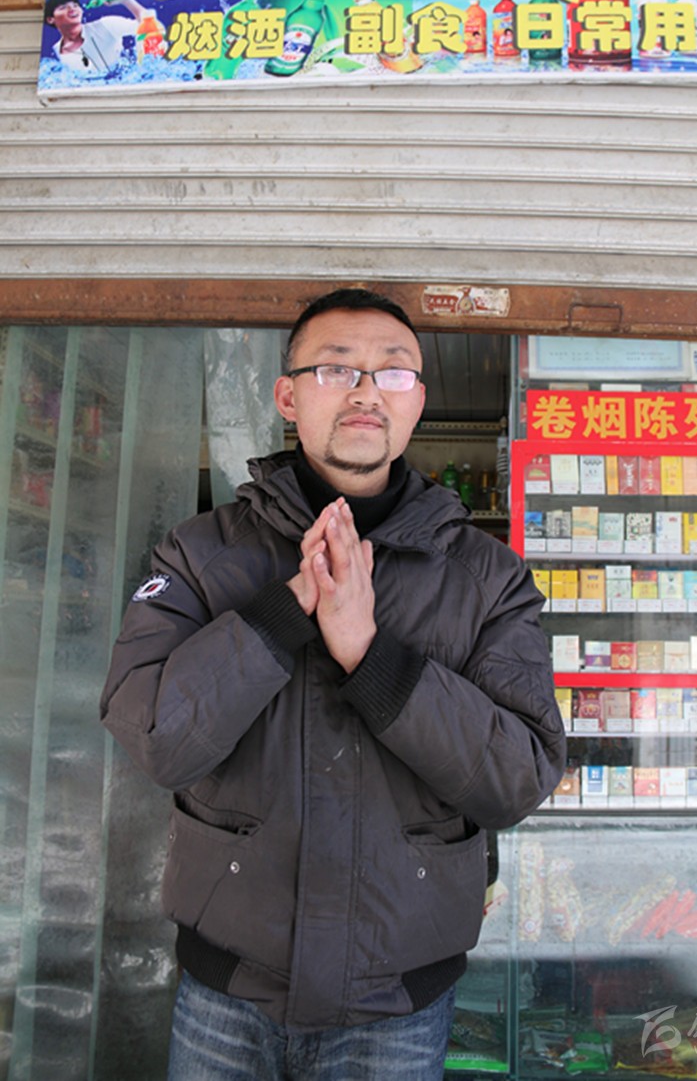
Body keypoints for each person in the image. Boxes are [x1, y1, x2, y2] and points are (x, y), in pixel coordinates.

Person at [101, 287, 566, 1080]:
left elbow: (518, 776)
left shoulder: (487, 578)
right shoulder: (200, 552)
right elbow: (155, 736)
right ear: (288, 396)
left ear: (417, 399)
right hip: (227, 989)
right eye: (335, 368)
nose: (364, 391)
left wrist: (374, 658)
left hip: (398, 1003)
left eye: (392, 372)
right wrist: (283, 612)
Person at [44, 0, 157, 77]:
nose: (72, 9)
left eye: (75, 6)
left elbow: (149, 26)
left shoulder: (106, 25)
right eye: (63, 7)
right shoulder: (56, 52)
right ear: (50, 19)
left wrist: (126, 0)